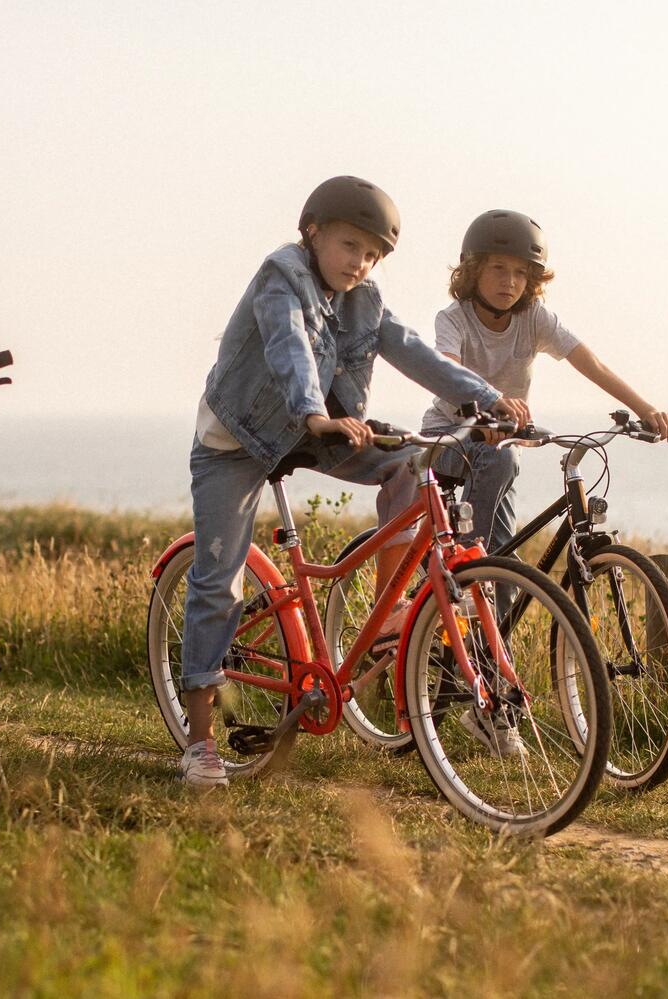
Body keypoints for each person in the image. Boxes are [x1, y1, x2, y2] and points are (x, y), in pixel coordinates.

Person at [179, 176, 527, 786]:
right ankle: (200, 745)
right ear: (311, 232)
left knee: (407, 464)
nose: (358, 263)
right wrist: (313, 409)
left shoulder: (364, 296)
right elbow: (288, 341)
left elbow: (417, 352)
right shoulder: (280, 275)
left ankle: (389, 608)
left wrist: (489, 398)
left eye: (370, 255)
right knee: (219, 582)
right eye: (348, 247)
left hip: (318, 431)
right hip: (237, 439)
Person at [424, 209, 668, 555]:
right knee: (489, 532)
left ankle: (485, 584)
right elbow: (447, 373)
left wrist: (646, 410)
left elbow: (592, 364)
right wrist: (491, 404)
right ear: (473, 269)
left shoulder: (534, 318)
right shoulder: (453, 320)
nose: (510, 282)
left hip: (500, 446)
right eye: (499, 268)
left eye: (520, 273)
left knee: (506, 562)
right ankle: (468, 571)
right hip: (447, 439)